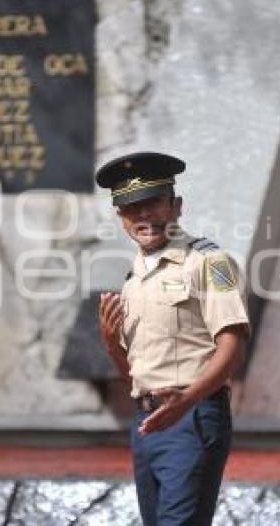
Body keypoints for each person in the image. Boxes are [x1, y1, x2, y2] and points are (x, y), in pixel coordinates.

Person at [95, 151, 250, 525]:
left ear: (176, 206)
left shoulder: (211, 264)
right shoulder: (133, 281)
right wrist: (111, 341)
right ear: (121, 219)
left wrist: (188, 400)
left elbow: (232, 344)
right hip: (148, 424)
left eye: (152, 203)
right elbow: (136, 373)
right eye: (132, 208)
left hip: (193, 417)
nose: (144, 215)